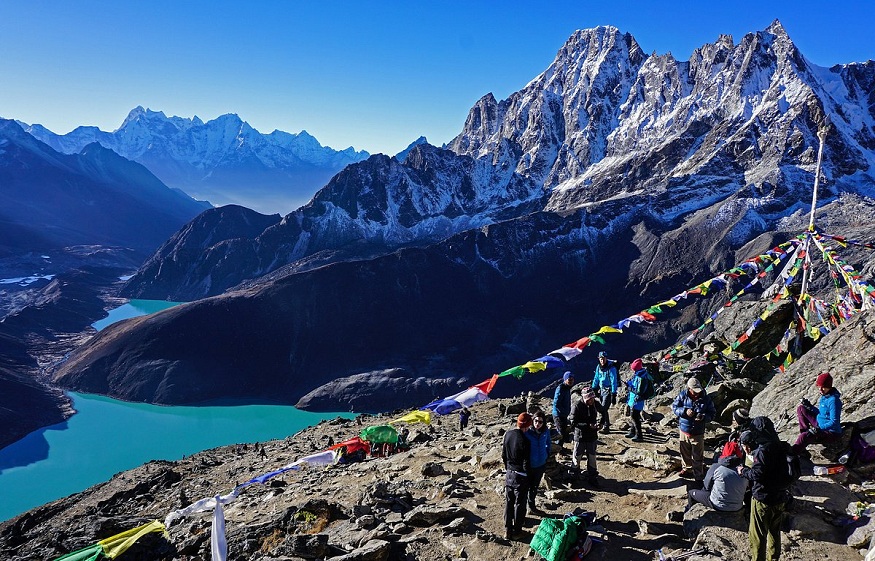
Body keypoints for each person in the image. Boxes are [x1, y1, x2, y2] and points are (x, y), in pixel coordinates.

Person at [737, 427, 791, 561]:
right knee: (774, 531)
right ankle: (773, 558)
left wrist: (743, 471)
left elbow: (756, 474)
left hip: (763, 499)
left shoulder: (759, 455)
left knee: (758, 535)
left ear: (747, 446)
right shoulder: (775, 448)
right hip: (780, 496)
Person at [672, 377, 716, 481]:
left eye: (698, 391)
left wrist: (703, 417)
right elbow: (674, 407)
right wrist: (684, 411)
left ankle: (698, 475)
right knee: (684, 452)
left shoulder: (706, 398)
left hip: (697, 432)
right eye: (694, 391)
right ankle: (687, 469)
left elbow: (712, 413)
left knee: (698, 455)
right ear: (689, 388)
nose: (697, 393)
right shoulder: (683, 395)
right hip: (684, 429)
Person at [688, 446, 747, 512]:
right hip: (737, 507)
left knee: (691, 493)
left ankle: (688, 514)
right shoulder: (745, 471)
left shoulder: (716, 467)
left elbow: (706, 486)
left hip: (717, 505)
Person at [794, 372, 842, 452]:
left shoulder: (833, 401)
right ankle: (805, 432)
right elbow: (821, 413)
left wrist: (818, 429)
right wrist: (810, 407)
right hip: (819, 424)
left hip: (830, 433)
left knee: (803, 437)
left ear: (829, 386)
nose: (820, 389)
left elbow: (834, 422)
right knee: (801, 408)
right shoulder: (825, 396)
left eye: (823, 387)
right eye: (819, 387)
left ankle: (791, 454)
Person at [502, 412, 532, 540]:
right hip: (520, 475)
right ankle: (517, 530)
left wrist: (508, 468)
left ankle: (507, 530)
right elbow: (526, 462)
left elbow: (504, 455)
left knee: (509, 501)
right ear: (527, 426)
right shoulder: (525, 440)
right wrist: (528, 476)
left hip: (509, 473)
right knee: (519, 503)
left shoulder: (508, 434)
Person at [569, 387, 601, 485]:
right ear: (585, 398)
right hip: (580, 437)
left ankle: (592, 478)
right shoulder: (577, 406)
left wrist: (601, 423)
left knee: (592, 458)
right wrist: (587, 425)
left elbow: (603, 412)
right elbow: (573, 422)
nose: (591, 400)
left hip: (592, 436)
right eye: (589, 399)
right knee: (577, 457)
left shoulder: (595, 404)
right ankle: (573, 478)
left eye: (592, 398)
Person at [524, 409, 551, 513]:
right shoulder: (528, 432)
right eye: (536, 421)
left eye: (540, 422)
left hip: (541, 464)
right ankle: (524, 507)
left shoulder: (545, 431)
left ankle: (531, 506)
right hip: (530, 464)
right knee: (527, 486)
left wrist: (546, 454)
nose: (537, 424)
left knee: (534, 487)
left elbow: (548, 442)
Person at [591, 351, 619, 433]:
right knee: (603, 409)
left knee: (603, 408)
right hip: (602, 390)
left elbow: (614, 381)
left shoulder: (611, 368)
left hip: (609, 391)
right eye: (601, 359)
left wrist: (614, 394)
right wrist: (594, 388)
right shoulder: (598, 367)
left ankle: (605, 427)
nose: (602, 360)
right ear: (599, 359)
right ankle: (606, 424)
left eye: (603, 358)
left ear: (606, 358)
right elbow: (596, 377)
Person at [625, 359, 648, 442]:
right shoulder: (639, 374)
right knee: (634, 416)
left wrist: (629, 387)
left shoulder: (641, 377)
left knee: (634, 417)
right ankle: (632, 431)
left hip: (637, 401)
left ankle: (639, 435)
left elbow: (639, 392)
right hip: (635, 400)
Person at [553, 371, 574, 444]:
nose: (571, 381)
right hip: (558, 415)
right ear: (565, 380)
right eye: (569, 379)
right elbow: (556, 403)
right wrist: (563, 412)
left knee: (563, 431)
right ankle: (558, 451)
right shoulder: (561, 388)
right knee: (561, 432)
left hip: (563, 414)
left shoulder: (567, 388)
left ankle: (560, 449)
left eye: (572, 379)